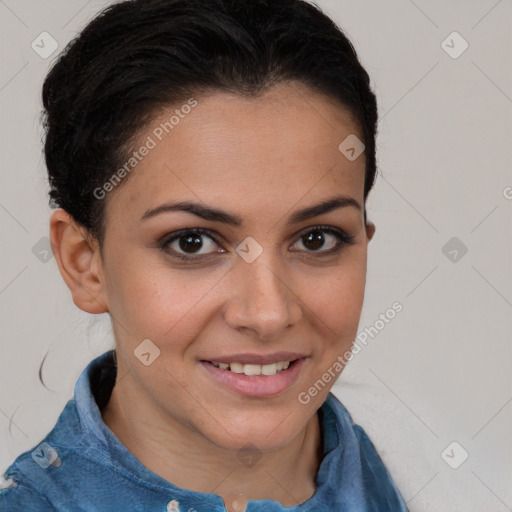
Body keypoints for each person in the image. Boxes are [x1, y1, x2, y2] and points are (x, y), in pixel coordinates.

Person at [0, 0, 409, 510]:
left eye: (316, 238)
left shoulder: (374, 477)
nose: (268, 313)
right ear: (85, 262)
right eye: (191, 242)